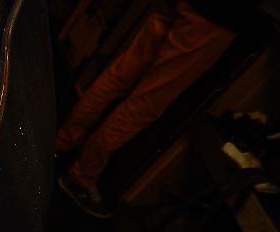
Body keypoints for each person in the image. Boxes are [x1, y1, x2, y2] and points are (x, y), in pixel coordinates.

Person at [56, 0, 260, 218]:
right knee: (146, 102)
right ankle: (81, 176)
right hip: (218, 13)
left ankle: (64, 141)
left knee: (121, 75)